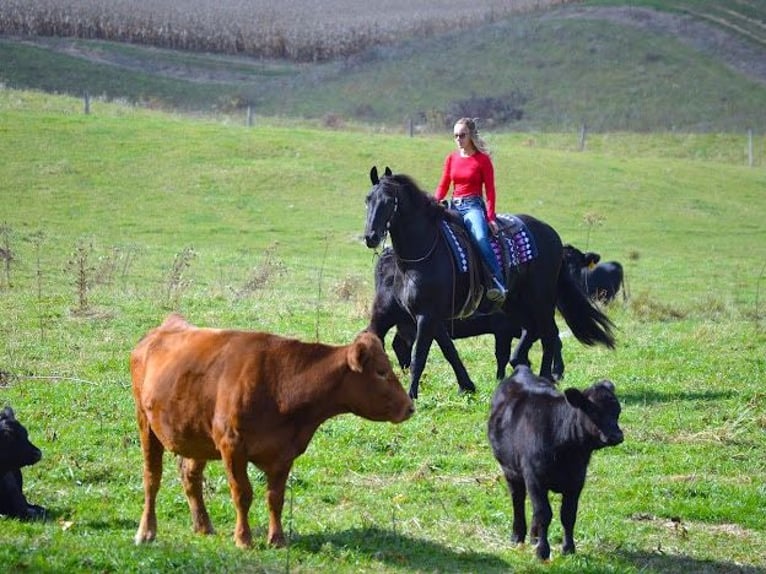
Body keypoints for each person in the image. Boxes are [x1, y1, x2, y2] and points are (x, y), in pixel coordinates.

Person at [435, 117, 506, 303]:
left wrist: (490, 217)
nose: (458, 139)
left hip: (472, 206)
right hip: (453, 205)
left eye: (462, 135)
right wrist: (433, 204)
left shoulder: (483, 160)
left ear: (471, 135)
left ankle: (497, 281)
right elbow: (443, 185)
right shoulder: (451, 158)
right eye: (455, 136)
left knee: (481, 239)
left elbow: (490, 191)